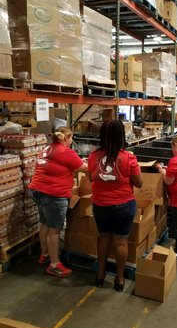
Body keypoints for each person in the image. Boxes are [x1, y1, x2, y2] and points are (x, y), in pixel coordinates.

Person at [88, 120, 142, 291]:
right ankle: (119, 279)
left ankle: (100, 275)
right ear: (121, 135)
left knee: (103, 238)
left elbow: (91, 178)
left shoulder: (93, 156)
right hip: (123, 205)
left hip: (100, 204)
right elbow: (139, 183)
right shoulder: (128, 157)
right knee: (121, 242)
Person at [29, 127, 88, 278]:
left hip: (37, 191)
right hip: (53, 195)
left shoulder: (47, 149)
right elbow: (84, 168)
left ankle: (45, 254)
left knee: (44, 223)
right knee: (54, 230)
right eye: (71, 138)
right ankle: (54, 265)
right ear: (66, 138)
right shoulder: (66, 151)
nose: (71, 141)